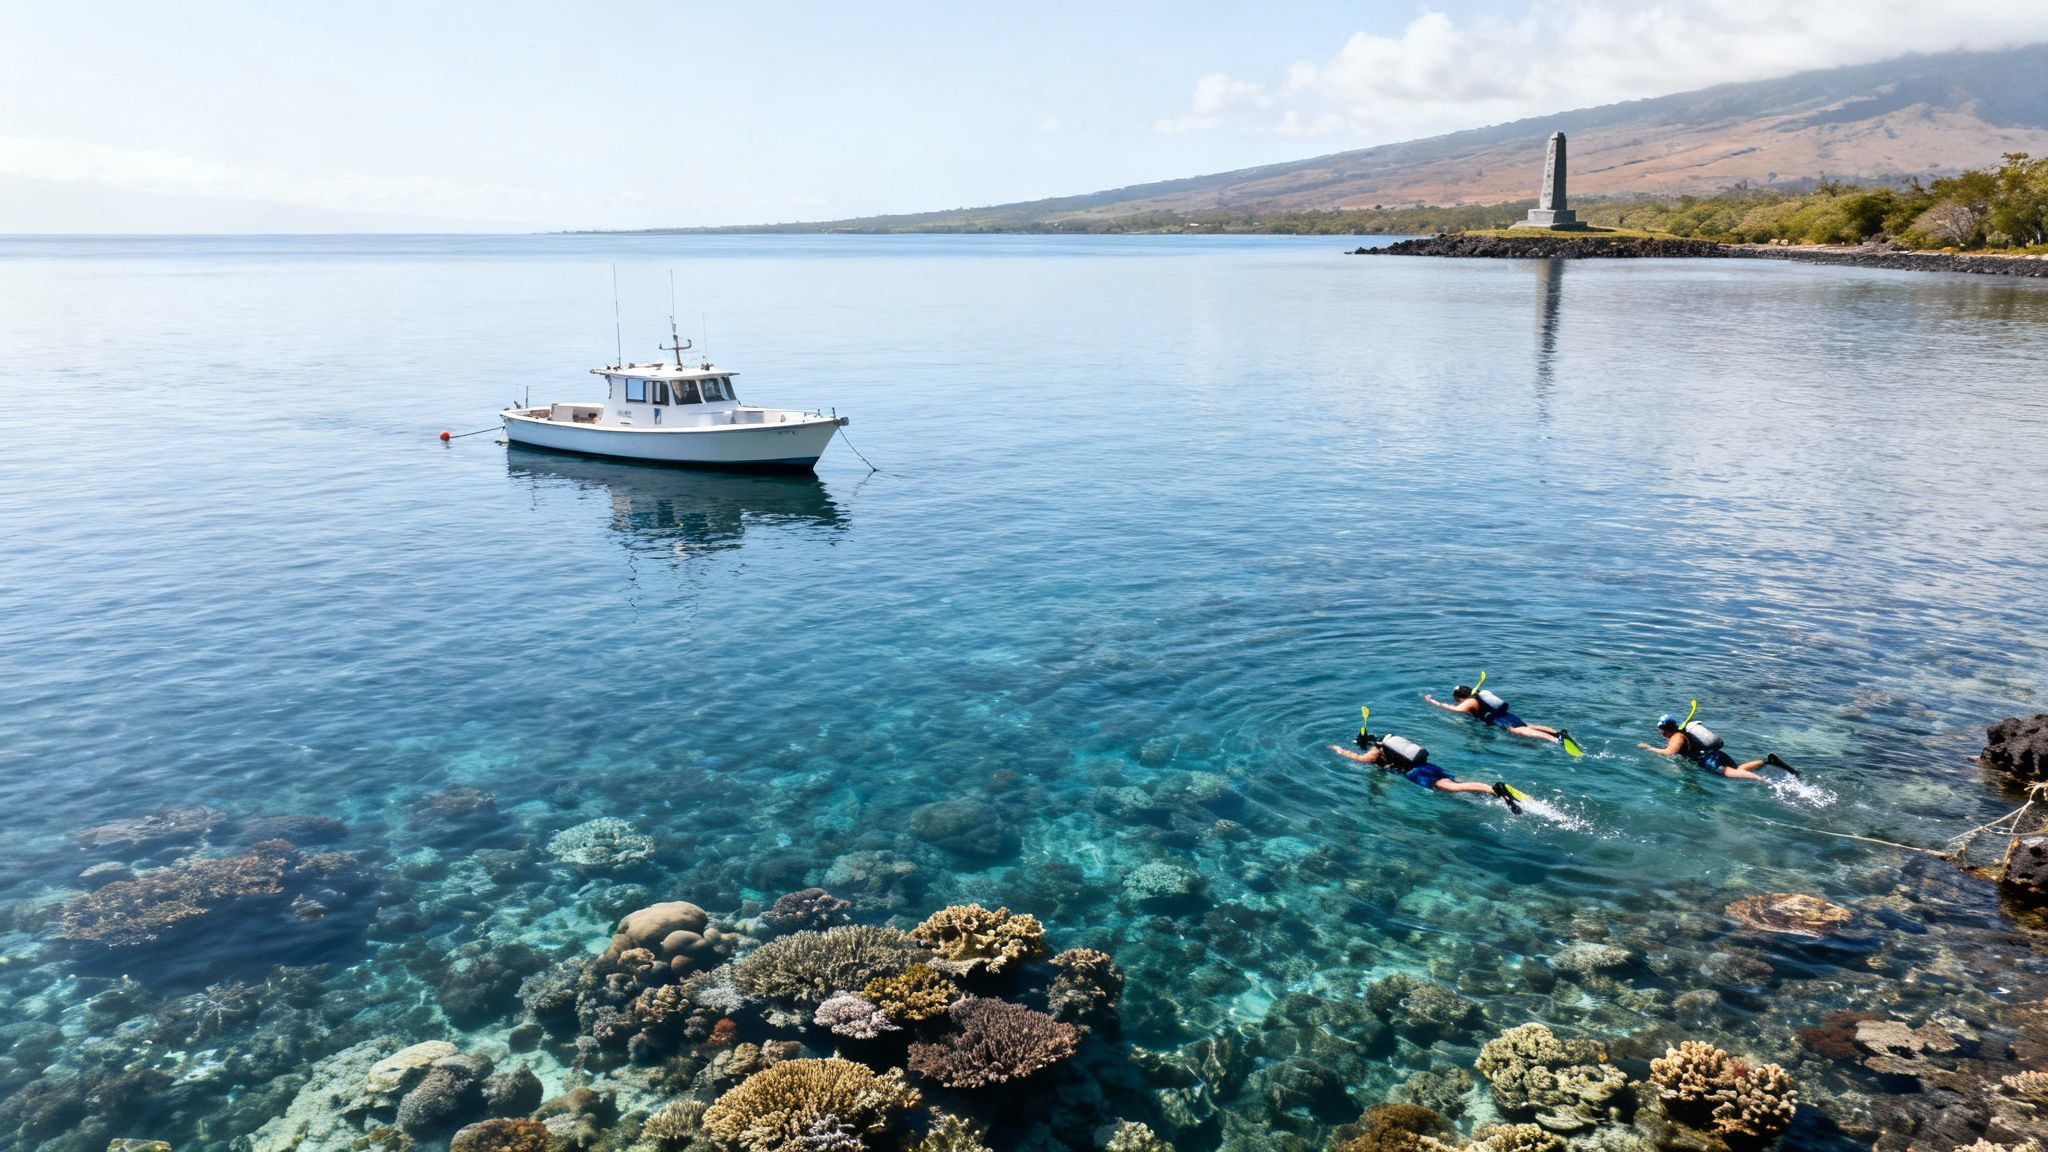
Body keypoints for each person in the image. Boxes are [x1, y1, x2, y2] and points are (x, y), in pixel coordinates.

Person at [1327, 731, 1523, 813]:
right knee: (1454, 784)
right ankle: (1492, 791)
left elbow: (1360, 760)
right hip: (1429, 766)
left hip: (1417, 772)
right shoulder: (1389, 746)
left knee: (1449, 788)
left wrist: (1340, 751)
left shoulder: (1375, 751)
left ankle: (1497, 790)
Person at [1639, 714, 1798, 780]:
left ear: (1664, 728)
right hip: (1715, 754)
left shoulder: (1676, 737)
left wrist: (1650, 748)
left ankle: (1765, 781)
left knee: (1727, 773)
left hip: (1707, 759)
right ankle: (1767, 761)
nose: (1659, 732)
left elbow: (1670, 752)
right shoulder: (1681, 734)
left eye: (1660, 728)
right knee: (1738, 768)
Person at [1425, 684, 1574, 748]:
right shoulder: (1476, 698)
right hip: (1506, 714)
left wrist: (1434, 703)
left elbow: (1457, 711)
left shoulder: (1470, 701)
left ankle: (1555, 740)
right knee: (1525, 726)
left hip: (1498, 720)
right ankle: (1557, 733)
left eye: (1456, 699)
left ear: (1460, 697)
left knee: (1516, 731)